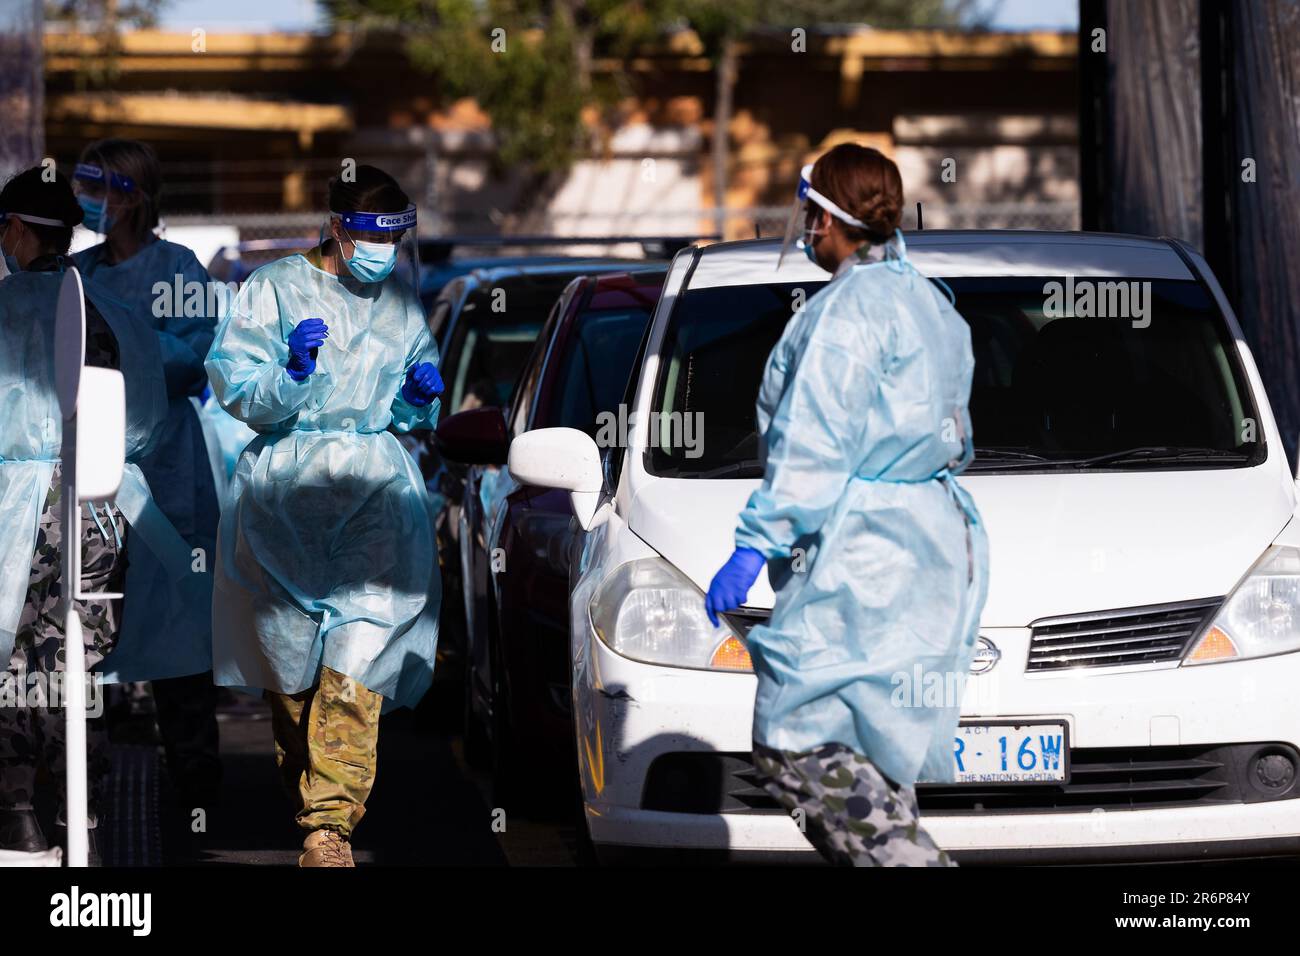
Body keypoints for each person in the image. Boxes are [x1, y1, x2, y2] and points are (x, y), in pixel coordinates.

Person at [704, 144, 989, 867]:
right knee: (874, 744)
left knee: (795, 736)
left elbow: (813, 441)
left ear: (830, 219)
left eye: (810, 216)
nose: (805, 232)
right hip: (928, 549)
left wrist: (756, 542)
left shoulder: (849, 314)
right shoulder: (929, 302)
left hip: (863, 554)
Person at [206, 164, 443, 867]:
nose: (383, 255)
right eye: (371, 237)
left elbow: (411, 395)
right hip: (285, 497)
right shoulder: (273, 289)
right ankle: (312, 796)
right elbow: (237, 389)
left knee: (359, 654)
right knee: (293, 677)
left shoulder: (398, 299)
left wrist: (417, 400)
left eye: (394, 241)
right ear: (337, 228)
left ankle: (329, 826)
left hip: (374, 493)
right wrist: (292, 373)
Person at [0, 166, 168, 864]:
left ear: (15, 231)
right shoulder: (110, 313)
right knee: (81, 658)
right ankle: (84, 814)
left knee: (12, 658)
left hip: (10, 509)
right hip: (93, 504)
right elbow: (146, 422)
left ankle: (15, 813)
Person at [72, 139, 223, 808]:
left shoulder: (178, 268)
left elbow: (194, 360)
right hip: (89, 476)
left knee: (177, 634)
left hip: (166, 476)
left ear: (131, 196)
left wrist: (118, 339)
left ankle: (196, 784)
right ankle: (84, 782)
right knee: (87, 630)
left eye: (96, 187)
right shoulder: (73, 274)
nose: (86, 201)